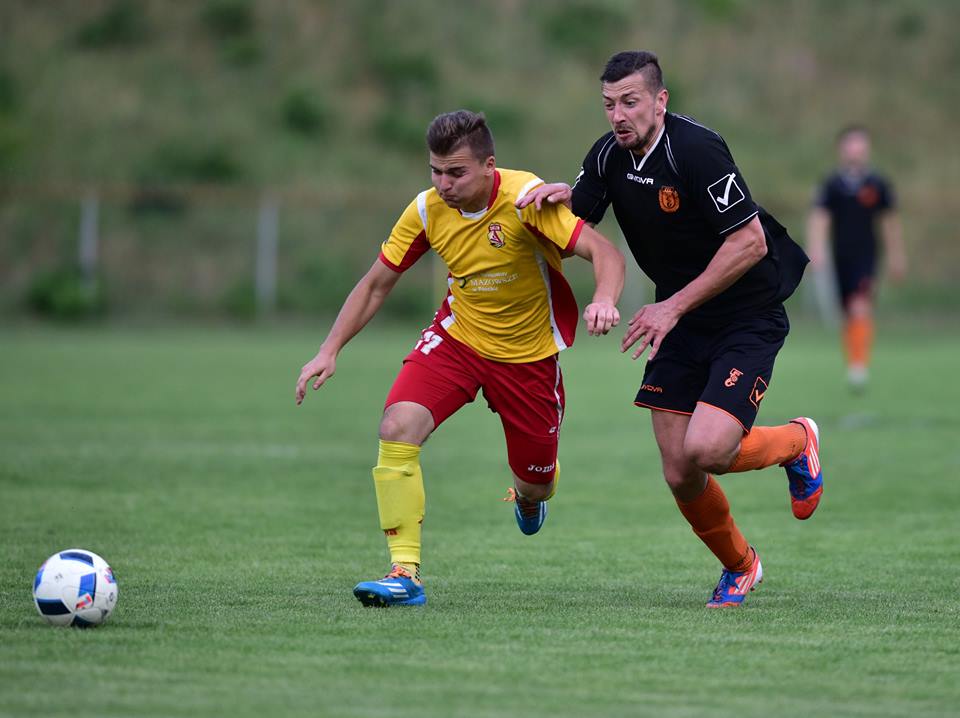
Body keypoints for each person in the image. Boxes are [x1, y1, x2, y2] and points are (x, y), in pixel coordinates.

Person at [518, 50, 822, 608]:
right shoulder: (607, 155)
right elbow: (579, 220)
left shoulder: (697, 150)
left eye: (630, 102)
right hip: (680, 318)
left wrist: (671, 307)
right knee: (680, 469)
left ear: (660, 101)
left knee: (707, 449)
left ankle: (797, 443)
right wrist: (554, 200)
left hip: (745, 314)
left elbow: (750, 242)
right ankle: (741, 565)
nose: (618, 115)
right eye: (609, 104)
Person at [296, 110, 625, 607]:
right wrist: (329, 349)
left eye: (456, 172)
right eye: (435, 171)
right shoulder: (427, 211)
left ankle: (531, 492)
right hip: (458, 341)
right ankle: (404, 573)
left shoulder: (526, 200)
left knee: (535, 484)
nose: (443, 184)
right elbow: (376, 284)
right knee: (396, 426)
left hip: (527, 359)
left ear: (489, 166)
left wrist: (603, 298)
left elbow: (606, 254)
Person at [806, 125, 906, 391]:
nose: (855, 151)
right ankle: (854, 360)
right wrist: (816, 249)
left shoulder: (878, 184)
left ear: (867, 149)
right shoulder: (831, 184)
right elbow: (820, 218)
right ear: (842, 149)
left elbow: (889, 222)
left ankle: (858, 368)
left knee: (860, 306)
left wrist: (896, 255)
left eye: (860, 145)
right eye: (851, 145)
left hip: (866, 256)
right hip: (839, 257)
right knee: (847, 314)